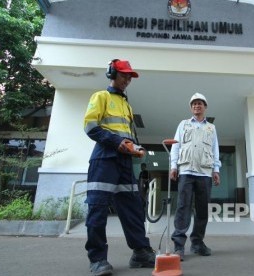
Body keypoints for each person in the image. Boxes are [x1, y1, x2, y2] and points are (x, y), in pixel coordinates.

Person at [83, 59, 155, 276]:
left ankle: (141, 252)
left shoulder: (127, 105)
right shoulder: (101, 96)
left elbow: (128, 136)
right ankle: (97, 260)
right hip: (104, 159)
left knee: (133, 207)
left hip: (124, 162)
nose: (127, 80)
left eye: (129, 77)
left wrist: (137, 148)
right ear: (112, 74)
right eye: (124, 75)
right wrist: (117, 143)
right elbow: (90, 127)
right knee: (98, 208)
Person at [169, 92, 221, 261]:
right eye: (194, 104)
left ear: (205, 107)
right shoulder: (183, 125)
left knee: (202, 210)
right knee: (183, 207)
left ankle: (197, 243)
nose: (196, 106)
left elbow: (215, 151)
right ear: (191, 108)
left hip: (205, 173)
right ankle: (178, 246)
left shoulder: (211, 128)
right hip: (186, 172)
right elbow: (176, 146)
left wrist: (216, 170)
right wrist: (173, 166)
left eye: (200, 103)